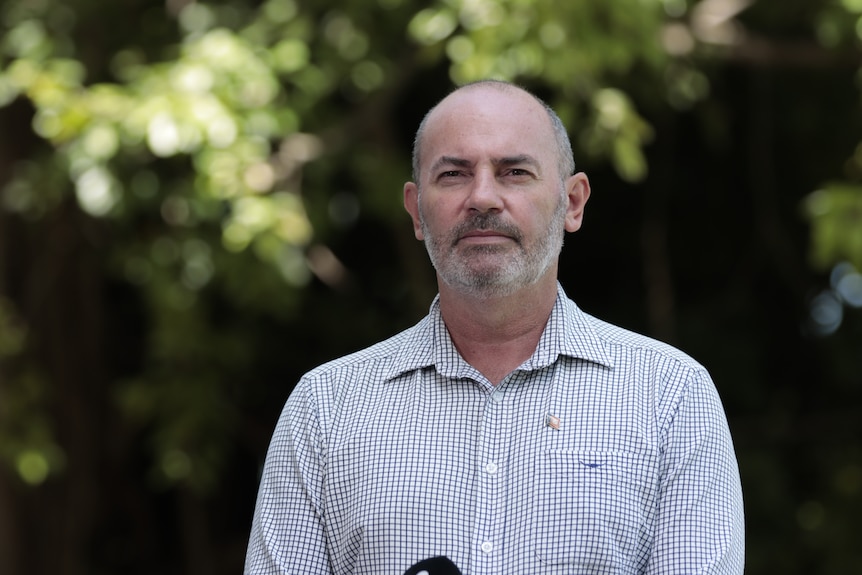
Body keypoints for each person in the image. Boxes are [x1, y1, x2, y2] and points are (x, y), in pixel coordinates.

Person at [244, 80, 745, 574]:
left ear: (573, 202)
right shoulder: (326, 408)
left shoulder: (670, 396)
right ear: (416, 211)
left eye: (514, 172)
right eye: (454, 174)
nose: (483, 196)